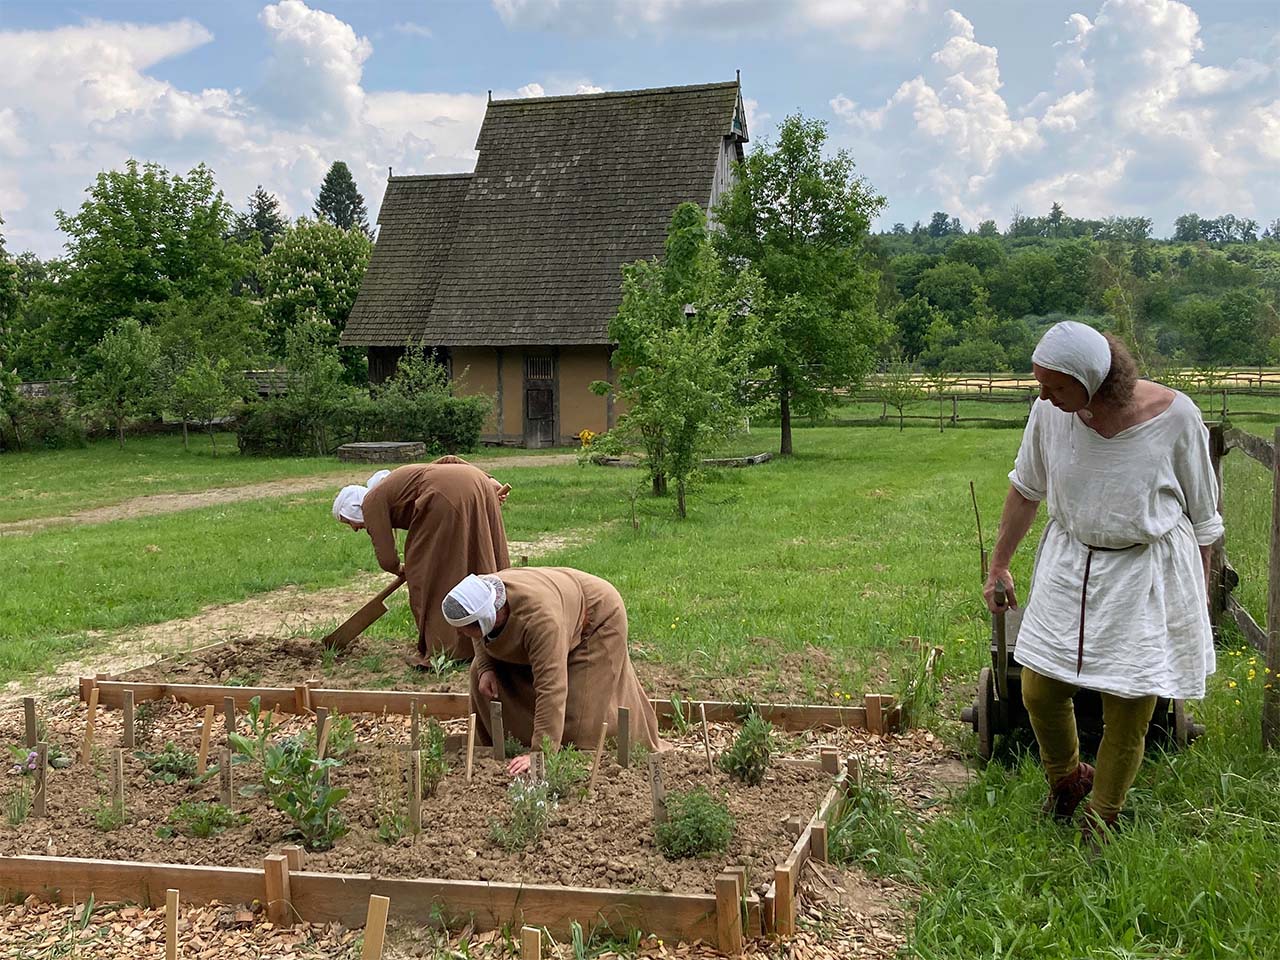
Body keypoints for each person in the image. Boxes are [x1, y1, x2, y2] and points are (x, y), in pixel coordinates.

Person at [984, 321, 1222, 844]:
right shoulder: (1051, 414)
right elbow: (1026, 490)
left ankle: (1103, 815)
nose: (1042, 396)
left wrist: (1195, 605)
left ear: (1092, 380)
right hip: (1071, 563)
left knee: (1130, 704)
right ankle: (1068, 779)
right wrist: (999, 563)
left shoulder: (1177, 418)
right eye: (1040, 385)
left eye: (1054, 386)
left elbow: (1205, 520)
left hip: (1147, 573)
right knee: (1039, 688)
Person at [442, 568, 665, 775]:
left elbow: (551, 687)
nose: (461, 635)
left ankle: (569, 754)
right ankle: (514, 743)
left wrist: (540, 754)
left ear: (489, 616)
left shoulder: (541, 621)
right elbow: (478, 631)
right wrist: (486, 667)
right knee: (479, 674)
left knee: (579, 718)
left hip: (595, 620)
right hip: (557, 606)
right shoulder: (482, 593)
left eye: (466, 628)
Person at [332, 457, 511, 663]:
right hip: (478, 484)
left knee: (426, 573)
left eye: (348, 522)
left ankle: (445, 647)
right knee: (477, 554)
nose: (354, 529)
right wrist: (487, 479)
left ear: (352, 508)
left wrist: (400, 568)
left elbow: (386, 555)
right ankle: (496, 637)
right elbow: (449, 460)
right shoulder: (396, 483)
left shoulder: (370, 501)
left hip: (446, 496)